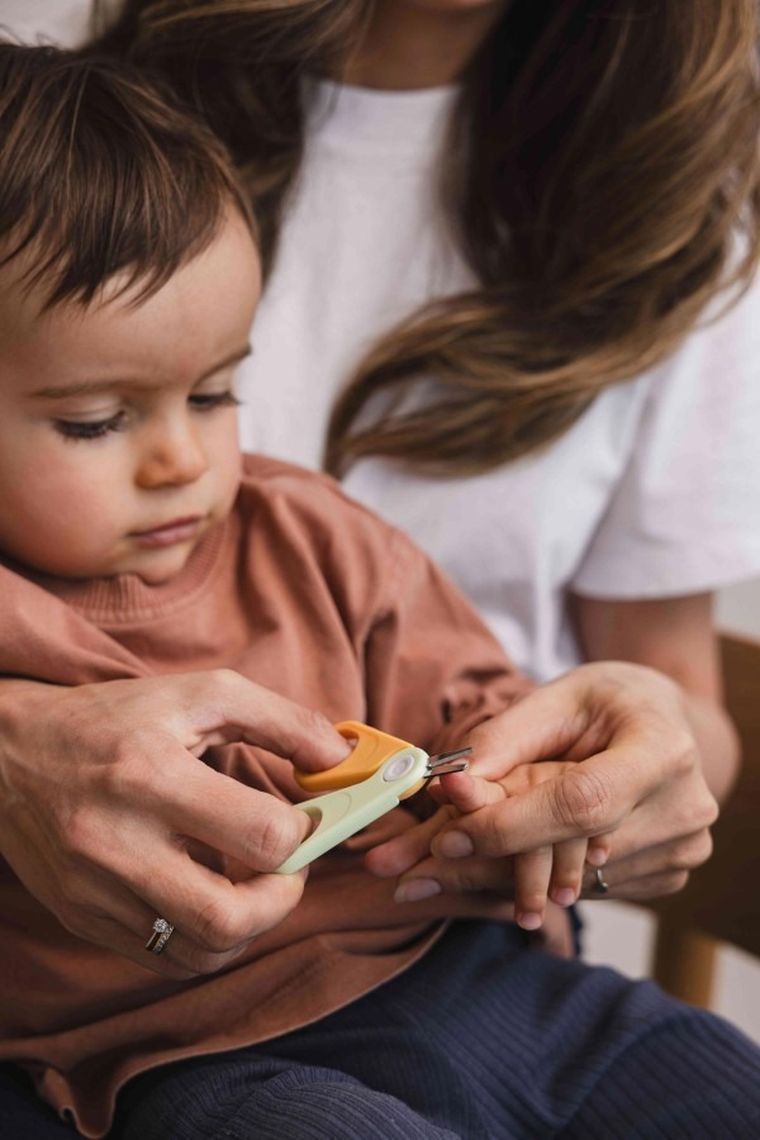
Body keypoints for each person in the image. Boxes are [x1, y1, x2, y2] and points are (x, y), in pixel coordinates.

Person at [0, 0, 757, 1132]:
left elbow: (498, 706)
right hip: (184, 1048)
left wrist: (539, 778)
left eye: (215, 395)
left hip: (460, 965)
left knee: (712, 1080)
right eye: (99, 420)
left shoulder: (314, 533)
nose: (183, 461)